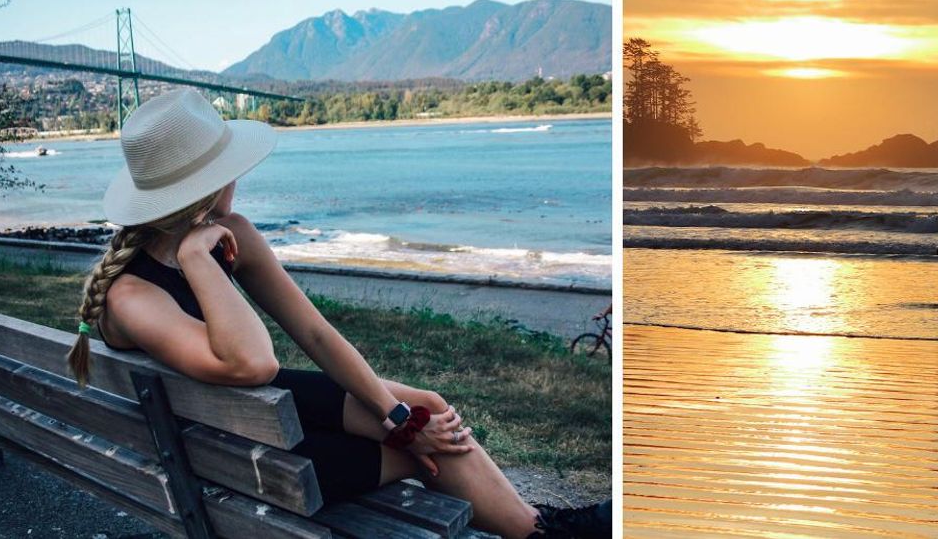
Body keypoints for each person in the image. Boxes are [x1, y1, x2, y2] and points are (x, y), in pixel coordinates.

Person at [65, 88, 609, 539]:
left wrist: (395, 417)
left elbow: (315, 334)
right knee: (429, 445)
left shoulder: (237, 236)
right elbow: (252, 364)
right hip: (235, 458)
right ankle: (541, 534)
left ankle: (538, 526)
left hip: (249, 421)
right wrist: (195, 259)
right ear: (207, 186)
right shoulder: (131, 296)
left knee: (425, 411)